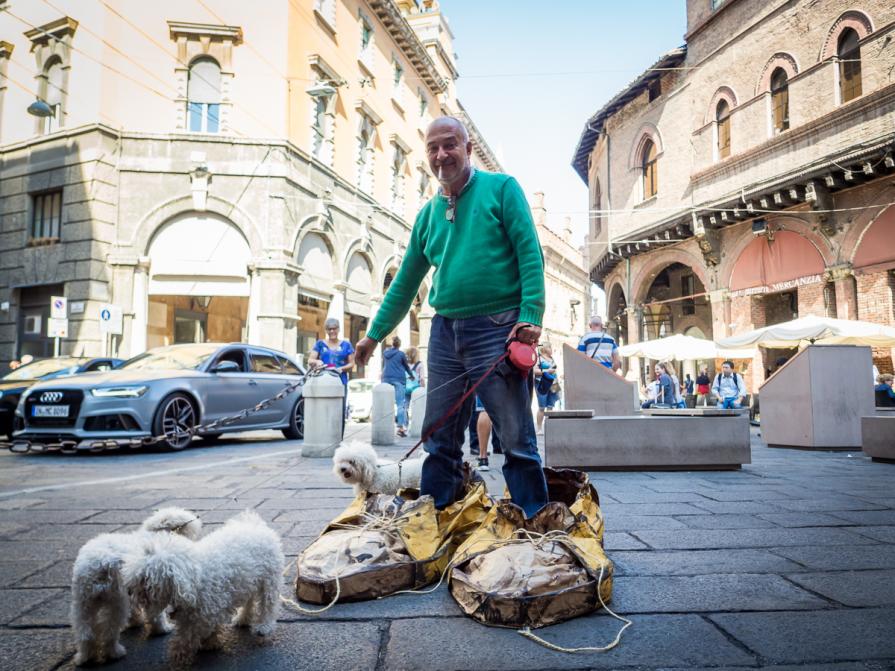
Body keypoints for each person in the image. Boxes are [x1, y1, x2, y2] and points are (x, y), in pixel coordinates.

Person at [353, 116, 548, 518]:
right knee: (438, 437)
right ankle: (436, 519)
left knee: (515, 437)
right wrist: (373, 336)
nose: (442, 155)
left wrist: (530, 316)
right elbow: (405, 283)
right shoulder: (427, 216)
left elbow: (530, 253)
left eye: (449, 145)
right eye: (433, 148)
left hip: (498, 328)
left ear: (467, 148)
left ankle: (535, 522)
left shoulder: (502, 189)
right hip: (444, 332)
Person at [307, 318, 355, 435]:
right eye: (329, 329)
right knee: (323, 410)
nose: (332, 331)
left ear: (338, 329)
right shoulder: (320, 344)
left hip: (340, 381)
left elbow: (352, 363)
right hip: (323, 381)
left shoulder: (346, 345)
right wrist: (316, 362)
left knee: (340, 411)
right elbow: (310, 359)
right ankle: (323, 435)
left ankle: (338, 437)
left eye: (334, 328)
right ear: (326, 330)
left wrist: (341, 369)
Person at [382, 337, 413, 437]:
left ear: (392, 344)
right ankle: (400, 427)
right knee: (400, 404)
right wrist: (411, 375)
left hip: (386, 379)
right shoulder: (401, 354)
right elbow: (406, 367)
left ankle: (385, 427)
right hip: (399, 379)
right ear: (399, 344)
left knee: (386, 404)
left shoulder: (385, 353)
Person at [533, 343, 559, 434]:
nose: (552, 349)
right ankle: (539, 428)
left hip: (554, 384)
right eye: (550, 347)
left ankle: (549, 428)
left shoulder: (551, 358)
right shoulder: (539, 358)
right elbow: (534, 371)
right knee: (542, 407)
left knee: (551, 406)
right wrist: (547, 371)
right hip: (542, 383)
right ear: (544, 348)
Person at [404, 346, 426, 423]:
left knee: (405, 407)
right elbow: (422, 378)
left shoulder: (404, 364)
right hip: (416, 389)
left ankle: (404, 425)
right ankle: (416, 425)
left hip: (406, 388)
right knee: (417, 407)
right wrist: (423, 388)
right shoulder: (420, 364)